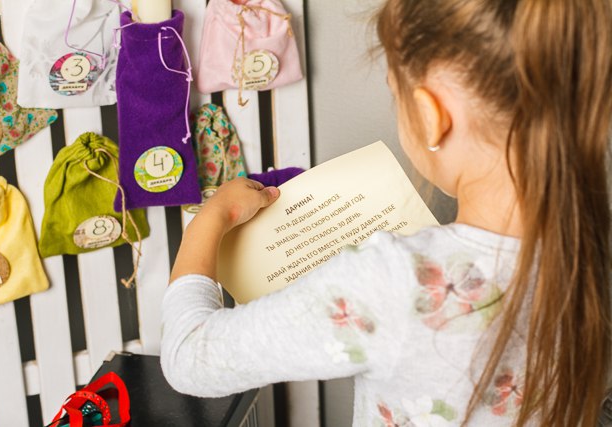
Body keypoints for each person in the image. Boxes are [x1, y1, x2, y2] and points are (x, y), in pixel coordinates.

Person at [161, 0, 612, 425]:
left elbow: (188, 356)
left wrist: (212, 218)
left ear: (432, 115)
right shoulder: (595, 251)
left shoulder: (392, 281)